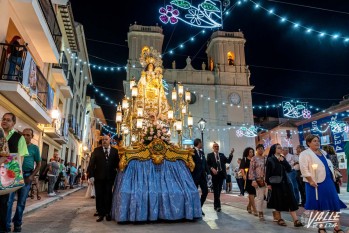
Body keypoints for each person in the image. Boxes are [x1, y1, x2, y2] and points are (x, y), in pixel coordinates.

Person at [299, 135, 346, 233]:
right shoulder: (305, 154)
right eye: (314, 141)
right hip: (314, 182)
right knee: (318, 206)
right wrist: (311, 180)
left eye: (318, 141)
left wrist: (338, 176)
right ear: (308, 143)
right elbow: (304, 169)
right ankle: (321, 227)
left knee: (334, 204)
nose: (317, 143)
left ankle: (337, 228)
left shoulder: (323, 152)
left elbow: (330, 166)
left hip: (328, 181)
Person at [6, 128, 41, 232]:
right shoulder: (16, 144)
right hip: (14, 175)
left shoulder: (34, 148)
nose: (25, 137)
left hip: (27, 176)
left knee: (21, 203)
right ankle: (6, 226)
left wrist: (31, 176)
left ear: (32, 137)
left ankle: (17, 225)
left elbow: (39, 164)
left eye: (28, 135)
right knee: (9, 202)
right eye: (24, 135)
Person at [0, 113, 28, 233]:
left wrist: (16, 177)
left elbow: (20, 158)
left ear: (13, 123)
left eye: (8, 120)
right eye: (3, 119)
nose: (4, 121)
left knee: (5, 204)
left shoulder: (19, 137)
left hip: (8, 176)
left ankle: (4, 229)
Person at [266, 143, 303, 227]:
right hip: (275, 183)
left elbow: (289, 169)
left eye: (281, 148)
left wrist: (283, 161)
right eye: (278, 148)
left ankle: (296, 220)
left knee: (290, 200)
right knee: (278, 200)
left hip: (286, 182)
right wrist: (268, 183)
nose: (280, 149)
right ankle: (279, 218)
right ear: (274, 149)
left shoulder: (283, 158)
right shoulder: (270, 159)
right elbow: (268, 172)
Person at [89, 135, 119, 222]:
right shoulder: (96, 150)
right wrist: (91, 175)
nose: (104, 141)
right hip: (98, 177)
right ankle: (101, 214)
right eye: (103, 140)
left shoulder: (115, 151)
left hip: (110, 178)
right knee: (99, 196)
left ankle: (107, 213)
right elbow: (91, 164)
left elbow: (117, 164)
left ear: (110, 140)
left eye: (106, 139)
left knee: (108, 195)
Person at [206, 142, 234, 212]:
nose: (216, 147)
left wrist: (231, 154)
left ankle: (216, 205)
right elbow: (207, 165)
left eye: (217, 146)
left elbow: (228, 161)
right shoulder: (210, 155)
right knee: (216, 190)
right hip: (215, 175)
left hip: (221, 174)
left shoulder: (221, 155)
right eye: (215, 146)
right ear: (213, 148)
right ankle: (218, 206)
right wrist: (212, 169)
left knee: (219, 191)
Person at [191, 138, 210, 216]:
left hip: (202, 176)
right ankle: (194, 209)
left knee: (205, 191)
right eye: (201, 143)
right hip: (194, 176)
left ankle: (199, 207)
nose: (202, 144)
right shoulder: (191, 151)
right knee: (194, 193)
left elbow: (205, 163)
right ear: (198, 143)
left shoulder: (202, 152)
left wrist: (208, 173)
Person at [249, 144, 267, 221]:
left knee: (268, 196)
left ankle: (274, 214)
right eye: (259, 149)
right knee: (260, 197)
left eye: (262, 148)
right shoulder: (254, 158)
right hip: (258, 180)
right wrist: (253, 180)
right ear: (256, 150)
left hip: (267, 180)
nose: (260, 150)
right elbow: (251, 170)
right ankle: (260, 212)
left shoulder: (266, 158)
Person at [240, 147, 257, 216]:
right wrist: (244, 175)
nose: (251, 153)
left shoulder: (254, 159)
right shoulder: (244, 159)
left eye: (252, 152)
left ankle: (249, 206)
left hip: (254, 177)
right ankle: (254, 209)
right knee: (251, 193)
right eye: (250, 152)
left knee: (254, 194)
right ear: (247, 152)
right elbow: (242, 168)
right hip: (247, 177)